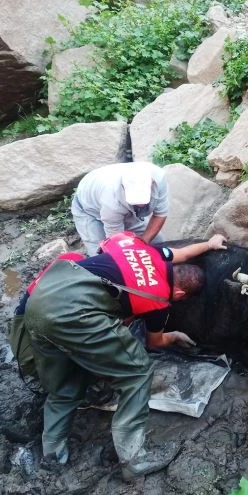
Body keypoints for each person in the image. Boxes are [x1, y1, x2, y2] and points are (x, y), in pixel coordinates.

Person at [23, 231, 227, 480]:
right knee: (138, 373)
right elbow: (154, 342)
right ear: (180, 295)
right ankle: (134, 460)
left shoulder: (150, 253)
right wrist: (173, 335)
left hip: (41, 299)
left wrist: (209, 243)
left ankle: (53, 454)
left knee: (66, 385)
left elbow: (181, 253)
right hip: (74, 312)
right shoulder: (159, 300)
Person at [71, 162, 169, 255]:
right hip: (87, 209)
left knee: (157, 242)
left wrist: (144, 241)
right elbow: (116, 242)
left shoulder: (159, 178)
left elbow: (160, 214)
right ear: (123, 186)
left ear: (152, 183)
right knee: (100, 255)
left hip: (116, 205)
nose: (140, 204)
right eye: (136, 199)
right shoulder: (111, 200)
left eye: (142, 197)